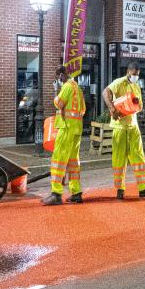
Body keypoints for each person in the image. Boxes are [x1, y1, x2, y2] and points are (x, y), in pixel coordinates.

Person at [103, 64, 145, 199]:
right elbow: (105, 92)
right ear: (128, 72)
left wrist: (138, 106)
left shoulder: (136, 86)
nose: (135, 76)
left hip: (133, 126)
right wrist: (112, 109)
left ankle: (144, 188)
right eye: (133, 73)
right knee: (119, 159)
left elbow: (139, 105)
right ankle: (120, 189)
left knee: (139, 157)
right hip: (120, 127)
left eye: (137, 74)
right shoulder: (119, 83)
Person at [42, 66, 86, 206]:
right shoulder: (77, 88)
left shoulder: (67, 87)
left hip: (66, 128)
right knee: (73, 162)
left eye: (58, 77)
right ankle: (76, 193)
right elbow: (83, 109)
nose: (58, 80)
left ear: (62, 75)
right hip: (76, 129)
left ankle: (56, 194)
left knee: (59, 160)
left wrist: (56, 91)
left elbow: (59, 104)